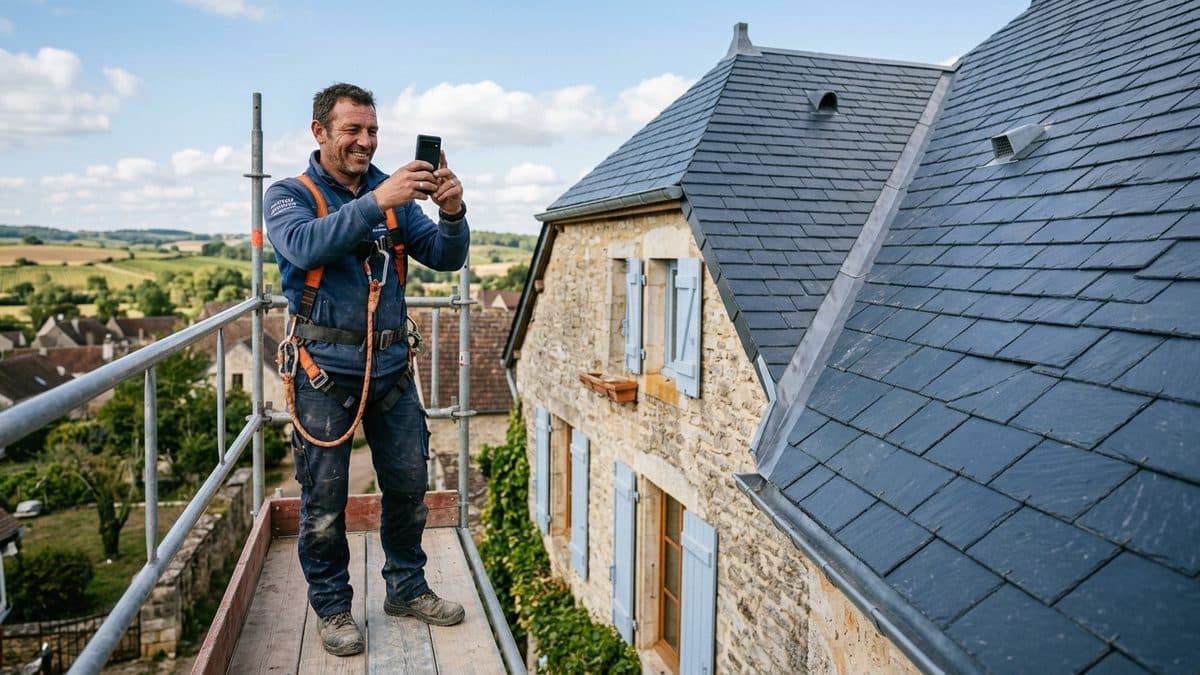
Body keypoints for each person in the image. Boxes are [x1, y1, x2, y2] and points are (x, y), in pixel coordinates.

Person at [265, 82, 470, 657]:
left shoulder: (394, 193)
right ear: (320, 133)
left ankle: (406, 588)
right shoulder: (290, 194)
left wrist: (452, 213)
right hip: (324, 372)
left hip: (392, 370)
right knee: (324, 501)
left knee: (408, 487)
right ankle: (332, 608)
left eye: (372, 130)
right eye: (352, 130)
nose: (365, 141)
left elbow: (446, 256)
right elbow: (305, 246)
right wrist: (378, 203)